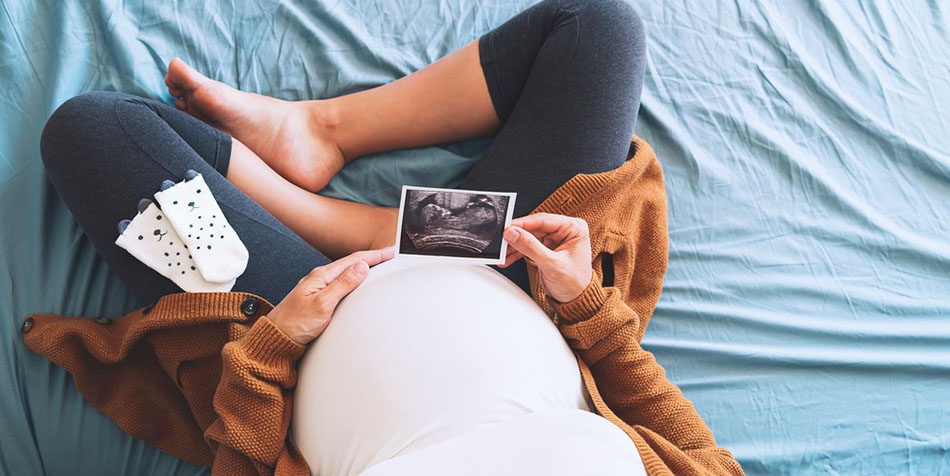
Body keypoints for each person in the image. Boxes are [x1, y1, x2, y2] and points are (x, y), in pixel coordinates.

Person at [31, 0, 743, 474]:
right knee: (596, 26)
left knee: (93, 130)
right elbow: (689, 447)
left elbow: (240, 458)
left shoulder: (283, 335)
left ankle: (343, 220)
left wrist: (277, 345)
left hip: (287, 319)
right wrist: (586, 304)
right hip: (511, 270)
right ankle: (328, 136)